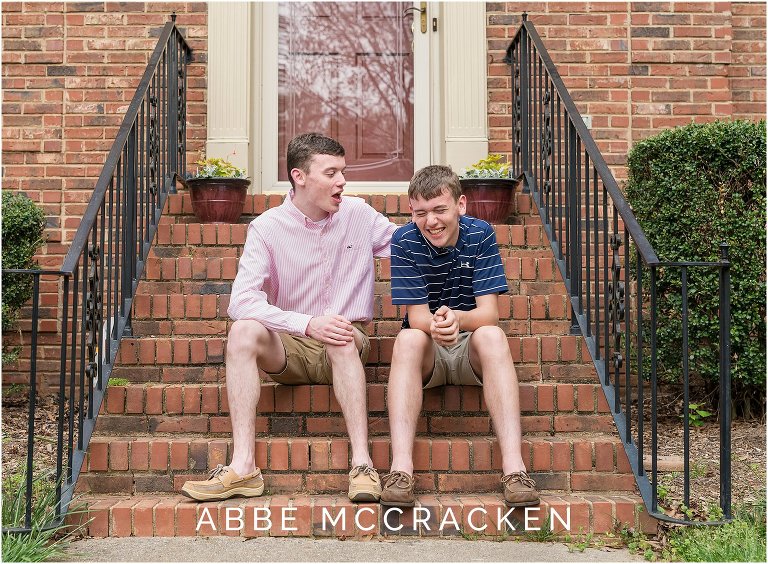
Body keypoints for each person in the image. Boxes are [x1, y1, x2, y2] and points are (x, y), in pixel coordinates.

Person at [181, 133, 397, 503]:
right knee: (243, 332)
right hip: (292, 344)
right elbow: (242, 301)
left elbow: (411, 249)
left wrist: (451, 225)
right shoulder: (267, 227)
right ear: (300, 176)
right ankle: (243, 467)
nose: (342, 181)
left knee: (340, 335)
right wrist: (307, 323)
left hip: (346, 339)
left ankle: (362, 465)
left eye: (342, 171)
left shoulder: (359, 215)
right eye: (331, 172)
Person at [380, 165, 539, 508]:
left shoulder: (480, 234)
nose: (431, 221)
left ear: (460, 205)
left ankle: (515, 471)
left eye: (440, 210)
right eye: (421, 213)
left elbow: (489, 314)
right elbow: (417, 317)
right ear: (411, 211)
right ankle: (400, 471)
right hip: (428, 350)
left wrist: (457, 318)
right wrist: (438, 325)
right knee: (407, 339)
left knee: (493, 336)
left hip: (470, 346)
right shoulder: (404, 240)